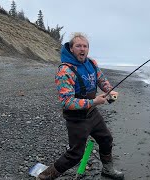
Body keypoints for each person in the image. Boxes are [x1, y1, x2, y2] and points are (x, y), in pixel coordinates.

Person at [37, 33, 124, 180]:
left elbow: (101, 80)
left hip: (92, 114)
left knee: (106, 139)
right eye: (78, 46)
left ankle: (108, 170)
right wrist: (94, 102)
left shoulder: (92, 63)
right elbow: (67, 102)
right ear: (71, 48)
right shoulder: (65, 71)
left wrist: (109, 90)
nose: (82, 49)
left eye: (85, 46)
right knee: (75, 154)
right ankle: (44, 176)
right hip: (76, 118)